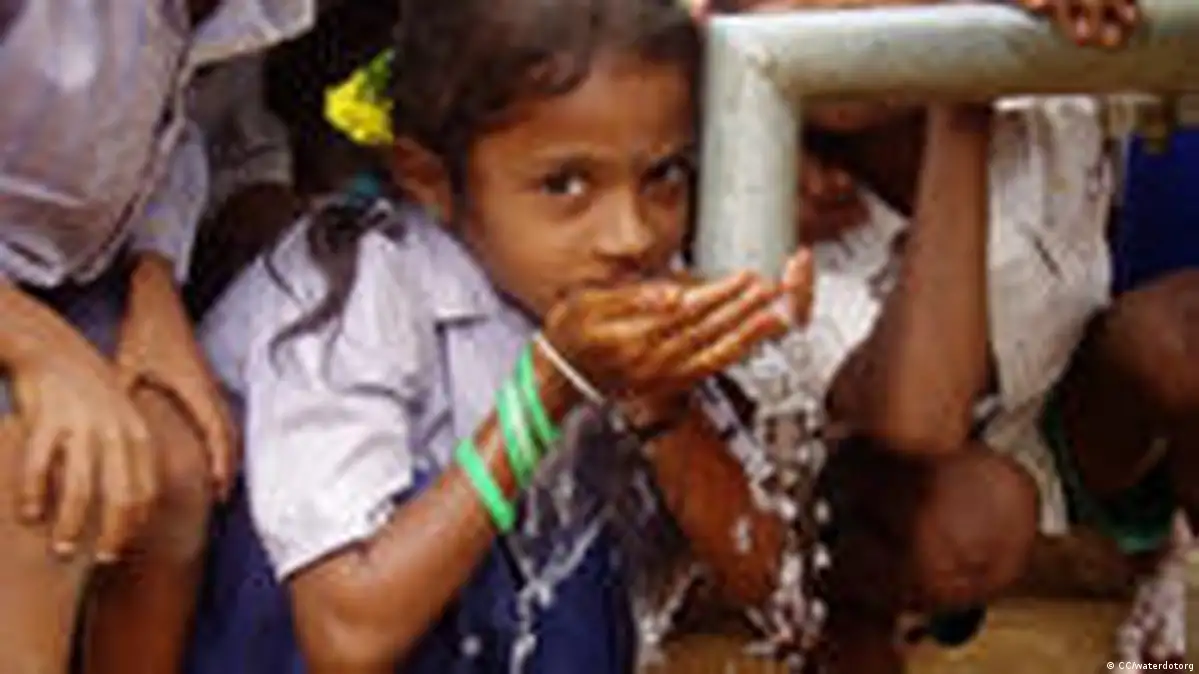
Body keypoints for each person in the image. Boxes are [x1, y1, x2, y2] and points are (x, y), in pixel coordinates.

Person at [184, 0, 815, 671]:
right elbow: (345, 637)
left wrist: (663, 404)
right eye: (564, 184)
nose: (630, 236)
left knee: (581, 547)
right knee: (493, 514)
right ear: (428, 178)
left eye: (663, 175)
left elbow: (777, 596)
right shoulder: (345, 292)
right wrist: (550, 383)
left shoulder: (629, 292)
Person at [0, 1, 311, 673]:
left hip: (72, 275)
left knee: (176, 467)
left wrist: (156, 282)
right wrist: (38, 348)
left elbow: (170, 131)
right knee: (45, 481)